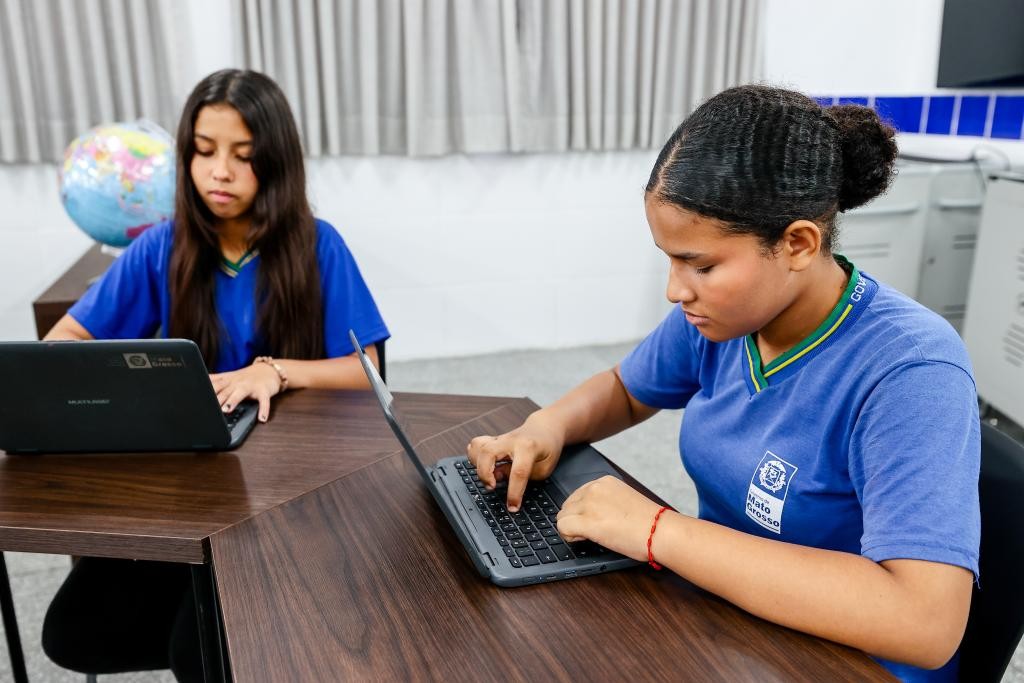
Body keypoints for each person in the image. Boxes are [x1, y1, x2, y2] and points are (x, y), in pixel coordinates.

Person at [467, 85, 979, 683]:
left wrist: (660, 531)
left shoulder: (911, 370)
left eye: (701, 265)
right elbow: (627, 389)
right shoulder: (726, 317)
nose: (676, 290)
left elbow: (925, 622)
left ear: (797, 244)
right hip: (730, 621)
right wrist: (547, 426)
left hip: (848, 663)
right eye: (670, 259)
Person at [41, 69, 389, 681]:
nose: (219, 172)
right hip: (189, 484)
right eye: (204, 152)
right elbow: (61, 345)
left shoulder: (318, 245)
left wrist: (274, 371)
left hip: (287, 490)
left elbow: (368, 373)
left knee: (199, 655)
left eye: (243, 156)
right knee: (74, 634)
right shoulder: (162, 246)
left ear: (275, 162)